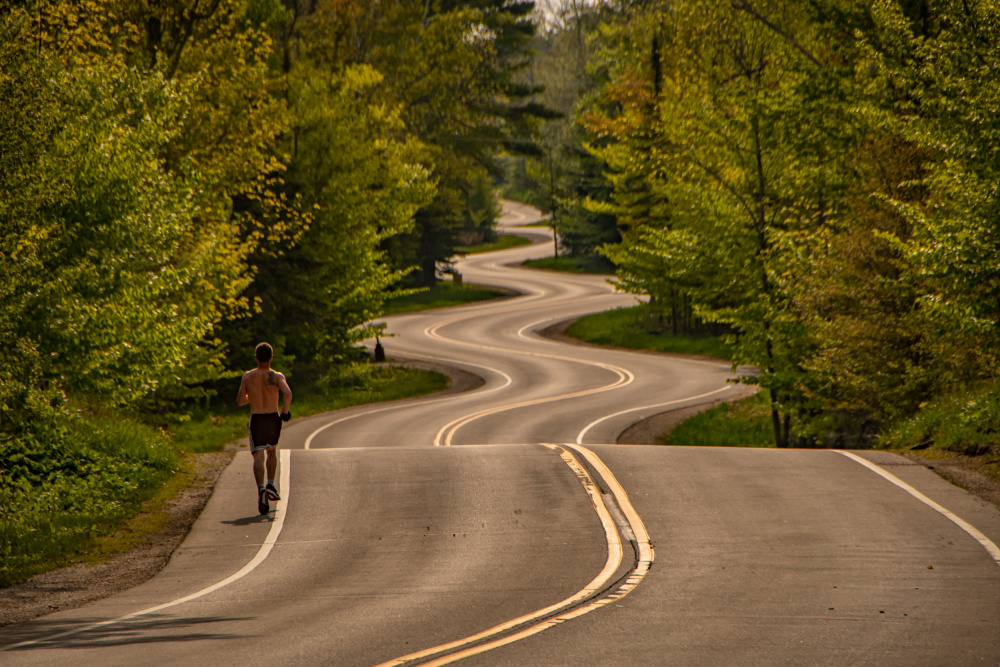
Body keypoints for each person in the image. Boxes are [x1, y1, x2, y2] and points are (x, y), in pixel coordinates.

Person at [237, 342, 292, 514]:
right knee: (272, 451)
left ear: (256, 358)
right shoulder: (276, 376)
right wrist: (284, 411)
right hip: (272, 417)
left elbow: (239, 401)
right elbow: (288, 393)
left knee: (258, 455)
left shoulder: (248, 376)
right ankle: (271, 483)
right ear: (271, 358)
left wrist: (251, 397)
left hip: (257, 418)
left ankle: (261, 487)